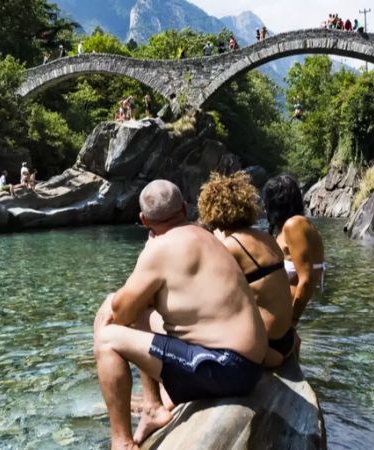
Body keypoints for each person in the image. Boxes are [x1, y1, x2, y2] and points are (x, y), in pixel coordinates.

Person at [93, 180, 266, 448]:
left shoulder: (159, 250)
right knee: (141, 314)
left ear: (143, 219)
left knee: (106, 338)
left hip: (225, 366)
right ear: (184, 208)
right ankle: (153, 408)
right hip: (248, 363)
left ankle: (122, 443)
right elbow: (134, 310)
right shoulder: (206, 236)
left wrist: (110, 303)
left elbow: (120, 313)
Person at [198, 172, 297, 368]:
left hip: (266, 349)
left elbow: (204, 297)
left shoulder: (231, 246)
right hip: (286, 340)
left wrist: (218, 245)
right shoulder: (265, 237)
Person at [262, 175, 326, 324]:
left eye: (267, 201)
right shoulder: (287, 227)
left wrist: (292, 321)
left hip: (289, 319)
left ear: (276, 202)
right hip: (283, 317)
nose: (264, 206)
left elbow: (306, 279)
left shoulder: (294, 225)